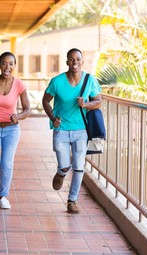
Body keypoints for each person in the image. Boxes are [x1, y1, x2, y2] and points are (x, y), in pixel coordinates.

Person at [42, 48, 102, 213]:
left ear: (82, 62)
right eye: (71, 59)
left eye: (78, 59)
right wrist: (53, 117)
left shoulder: (90, 80)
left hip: (81, 130)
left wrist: (86, 104)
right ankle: (61, 172)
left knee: (79, 166)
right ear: (67, 62)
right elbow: (45, 101)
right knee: (65, 165)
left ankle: (72, 201)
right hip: (61, 129)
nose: (75, 62)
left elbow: (98, 101)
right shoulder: (57, 81)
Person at [0, 52, 31, 209]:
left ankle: (3, 196)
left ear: (14, 66)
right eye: (4, 63)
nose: (7, 67)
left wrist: (19, 116)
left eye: (10, 64)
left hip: (11, 129)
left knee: (7, 164)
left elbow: (27, 109)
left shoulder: (19, 85)